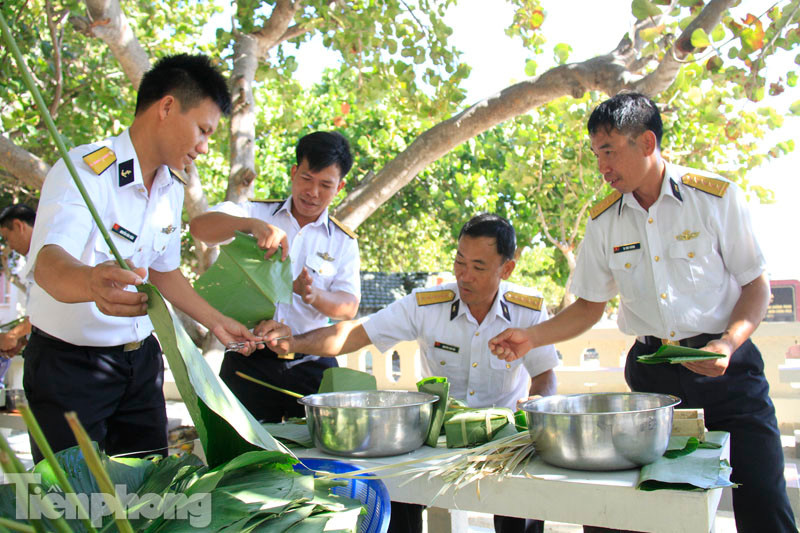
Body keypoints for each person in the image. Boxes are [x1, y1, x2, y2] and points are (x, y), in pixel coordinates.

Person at [489, 92, 796, 533]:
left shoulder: (715, 198)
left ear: (647, 142)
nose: (602, 167)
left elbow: (755, 286)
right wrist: (532, 338)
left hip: (730, 377)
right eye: (597, 154)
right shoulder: (603, 221)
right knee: (638, 511)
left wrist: (726, 344)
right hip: (654, 382)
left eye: (610, 152)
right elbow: (590, 306)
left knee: (764, 504)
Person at [22, 54, 283, 463]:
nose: (203, 147)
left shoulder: (170, 189)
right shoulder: (86, 171)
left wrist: (217, 322)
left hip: (140, 364)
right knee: (72, 507)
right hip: (70, 367)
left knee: (149, 495)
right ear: (166, 107)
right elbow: (49, 263)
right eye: (202, 130)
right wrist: (92, 283)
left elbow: (164, 273)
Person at [271, 213, 558, 533]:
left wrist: (537, 404)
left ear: (506, 269)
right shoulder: (427, 305)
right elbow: (356, 334)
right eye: (459, 262)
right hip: (438, 440)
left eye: (478, 267)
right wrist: (293, 342)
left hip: (503, 444)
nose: (464, 276)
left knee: (526, 504)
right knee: (396, 488)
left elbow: (545, 374)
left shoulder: (526, 310)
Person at [190, 130, 360, 422]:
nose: (313, 192)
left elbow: (349, 307)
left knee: (318, 457)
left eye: (325, 185)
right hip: (248, 360)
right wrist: (249, 226)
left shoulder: (343, 241)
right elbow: (200, 228)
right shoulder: (256, 212)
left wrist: (315, 296)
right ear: (294, 173)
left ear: (340, 186)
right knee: (241, 455)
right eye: (306, 178)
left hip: (310, 363)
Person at [0, 204, 35, 384]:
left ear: (19, 225)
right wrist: (23, 338)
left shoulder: (48, 256)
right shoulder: (31, 259)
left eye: (7, 237)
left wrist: (12, 335)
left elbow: (44, 312)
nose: (9, 246)